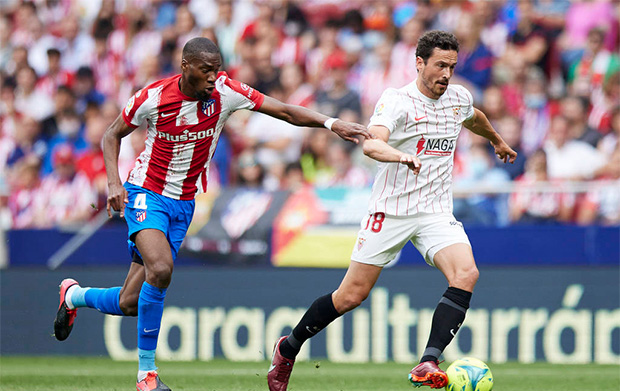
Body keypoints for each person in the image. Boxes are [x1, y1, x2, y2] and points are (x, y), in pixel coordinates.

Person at [52, 37, 371, 391]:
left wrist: (331, 124)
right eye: (206, 71)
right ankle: (146, 376)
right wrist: (114, 182)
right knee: (160, 269)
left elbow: (283, 110)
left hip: (184, 203)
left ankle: (74, 296)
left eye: (216, 70)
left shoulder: (225, 91)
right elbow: (112, 134)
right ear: (185, 66)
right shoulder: (153, 97)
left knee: (130, 302)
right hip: (147, 193)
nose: (212, 78)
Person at [267, 30, 517, 391]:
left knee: (466, 273)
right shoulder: (396, 101)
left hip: (434, 211)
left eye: (451, 66)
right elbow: (372, 145)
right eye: (439, 65)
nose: (446, 74)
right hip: (391, 209)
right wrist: (401, 155)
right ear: (419, 63)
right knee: (351, 296)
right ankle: (289, 347)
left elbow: (473, 116)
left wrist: (496, 139)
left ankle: (428, 361)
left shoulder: (458, 97)